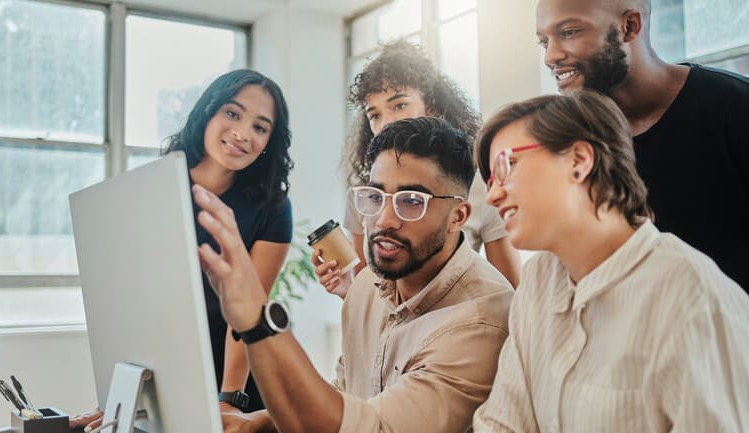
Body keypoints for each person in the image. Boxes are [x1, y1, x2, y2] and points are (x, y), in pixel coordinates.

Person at [535, 0, 749, 422]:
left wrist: (720, 318)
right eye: (544, 40)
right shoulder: (584, 149)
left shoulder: (741, 110)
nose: (551, 56)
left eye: (570, 32)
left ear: (630, 26)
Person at [470, 91, 749, 432]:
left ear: (579, 160)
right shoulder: (538, 282)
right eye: (489, 180)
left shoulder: (693, 298)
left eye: (505, 167)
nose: (492, 195)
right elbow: (502, 423)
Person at [196, 117, 513, 433]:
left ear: (457, 216)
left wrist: (257, 320)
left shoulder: (481, 322)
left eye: (412, 201)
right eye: (375, 197)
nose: (385, 220)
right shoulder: (366, 287)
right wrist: (256, 422)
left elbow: (369, 427)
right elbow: (349, 397)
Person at [315, 41, 520, 298]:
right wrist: (347, 290)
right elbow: (368, 294)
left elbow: (512, 294)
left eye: (399, 105)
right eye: (374, 115)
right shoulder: (363, 194)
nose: (385, 123)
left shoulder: (478, 186)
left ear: (432, 107)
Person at [164, 69, 294, 415]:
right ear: (209, 111)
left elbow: (247, 311)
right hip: (168, 368)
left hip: (240, 377)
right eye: (233, 113)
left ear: (269, 142)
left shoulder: (272, 207)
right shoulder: (159, 184)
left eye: (260, 127)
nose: (242, 133)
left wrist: (229, 398)